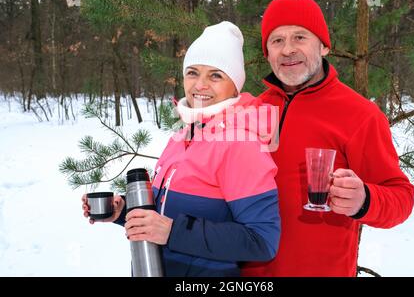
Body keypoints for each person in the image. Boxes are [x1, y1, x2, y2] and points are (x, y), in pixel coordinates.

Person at [82, 21, 281, 277]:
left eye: (216, 75)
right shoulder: (182, 136)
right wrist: (122, 211)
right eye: (193, 72)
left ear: (235, 85)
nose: (200, 85)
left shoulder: (241, 145)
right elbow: (165, 212)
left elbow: (262, 240)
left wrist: (172, 232)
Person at [241, 0, 414, 277]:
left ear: (323, 46)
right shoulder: (250, 111)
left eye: (300, 37)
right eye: (277, 40)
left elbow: (401, 197)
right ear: (267, 53)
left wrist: (364, 199)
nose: (287, 50)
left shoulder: (360, 115)